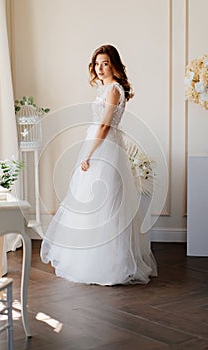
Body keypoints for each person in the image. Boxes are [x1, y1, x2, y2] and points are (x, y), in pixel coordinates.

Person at [40, 44, 157, 285]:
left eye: (105, 63)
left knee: (105, 205)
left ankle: (109, 264)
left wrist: (88, 154)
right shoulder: (106, 89)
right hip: (100, 145)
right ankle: (90, 258)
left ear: (114, 64)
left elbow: (104, 126)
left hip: (105, 149)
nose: (100, 68)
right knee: (91, 202)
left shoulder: (113, 90)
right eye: (97, 64)